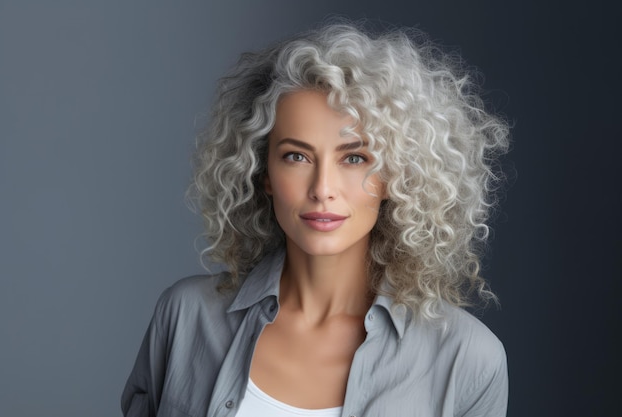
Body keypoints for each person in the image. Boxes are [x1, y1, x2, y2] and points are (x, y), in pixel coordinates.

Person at [122, 22, 510, 417]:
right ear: (264, 173)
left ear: (395, 178)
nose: (323, 188)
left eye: (354, 158)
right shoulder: (186, 317)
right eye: (296, 156)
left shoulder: (468, 360)